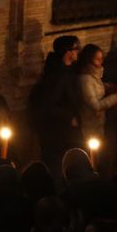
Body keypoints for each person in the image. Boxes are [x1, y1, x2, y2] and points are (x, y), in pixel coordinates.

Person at [30, 35, 83, 169]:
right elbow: (49, 104)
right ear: (68, 53)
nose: (78, 52)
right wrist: (69, 118)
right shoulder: (57, 76)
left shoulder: (67, 71)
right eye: (76, 49)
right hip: (59, 133)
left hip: (64, 131)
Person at [75, 45, 117, 154]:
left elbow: (96, 87)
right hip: (90, 125)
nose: (101, 61)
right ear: (89, 60)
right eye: (98, 59)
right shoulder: (85, 80)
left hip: (99, 123)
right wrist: (116, 97)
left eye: (102, 58)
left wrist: (107, 86)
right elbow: (95, 105)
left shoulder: (94, 76)